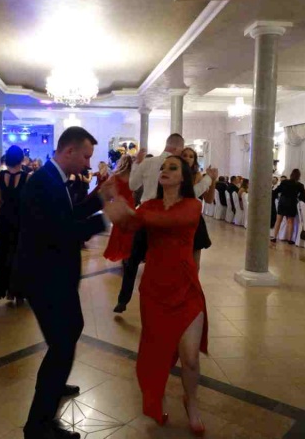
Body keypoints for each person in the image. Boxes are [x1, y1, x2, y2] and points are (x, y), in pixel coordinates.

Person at [103, 155, 208, 436]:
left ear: (184, 177)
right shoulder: (149, 206)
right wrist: (114, 204)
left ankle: (191, 402)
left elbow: (169, 220)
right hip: (155, 288)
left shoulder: (192, 206)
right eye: (163, 167)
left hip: (186, 287)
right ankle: (157, 396)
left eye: (172, 167)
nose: (165, 170)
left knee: (190, 357)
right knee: (156, 351)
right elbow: (129, 225)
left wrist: (131, 212)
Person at [15, 127, 106, 439]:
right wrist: (106, 219)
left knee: (70, 332)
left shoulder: (53, 179)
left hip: (54, 276)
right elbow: (63, 232)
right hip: (45, 277)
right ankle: (38, 425)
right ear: (69, 151)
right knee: (62, 344)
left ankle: (54, 384)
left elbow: (67, 214)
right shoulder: (44, 182)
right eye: (86, 156)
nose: (88, 163)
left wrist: (99, 199)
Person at [113, 133, 185, 314]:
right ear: (178, 148)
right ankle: (162, 301)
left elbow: (132, 185)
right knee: (164, 262)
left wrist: (138, 163)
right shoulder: (178, 167)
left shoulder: (148, 163)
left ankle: (122, 300)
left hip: (145, 215)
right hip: (166, 218)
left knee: (133, 260)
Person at [0, 145, 29, 303]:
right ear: (21, 159)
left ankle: (7, 290)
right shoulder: (28, 177)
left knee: (4, 254)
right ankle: (19, 292)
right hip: (21, 219)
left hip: (5, 218)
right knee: (20, 255)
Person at [181, 147, 217, 267]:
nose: (187, 158)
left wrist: (213, 181)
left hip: (195, 219)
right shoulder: (176, 175)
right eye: (185, 155)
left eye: (191, 156)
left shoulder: (197, 176)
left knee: (195, 261)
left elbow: (209, 200)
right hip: (179, 218)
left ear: (194, 161)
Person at [103, 154, 135, 263]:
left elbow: (108, 191)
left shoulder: (115, 176)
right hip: (130, 204)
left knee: (118, 231)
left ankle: (119, 253)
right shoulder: (133, 176)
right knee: (129, 232)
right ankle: (127, 254)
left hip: (119, 204)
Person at [271, 168, 305, 244]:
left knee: (278, 220)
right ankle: (289, 239)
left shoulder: (284, 182)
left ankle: (274, 237)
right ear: (298, 176)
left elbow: (276, 191)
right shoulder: (300, 185)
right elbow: (303, 197)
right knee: (290, 222)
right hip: (292, 203)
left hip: (282, 202)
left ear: (291, 175)